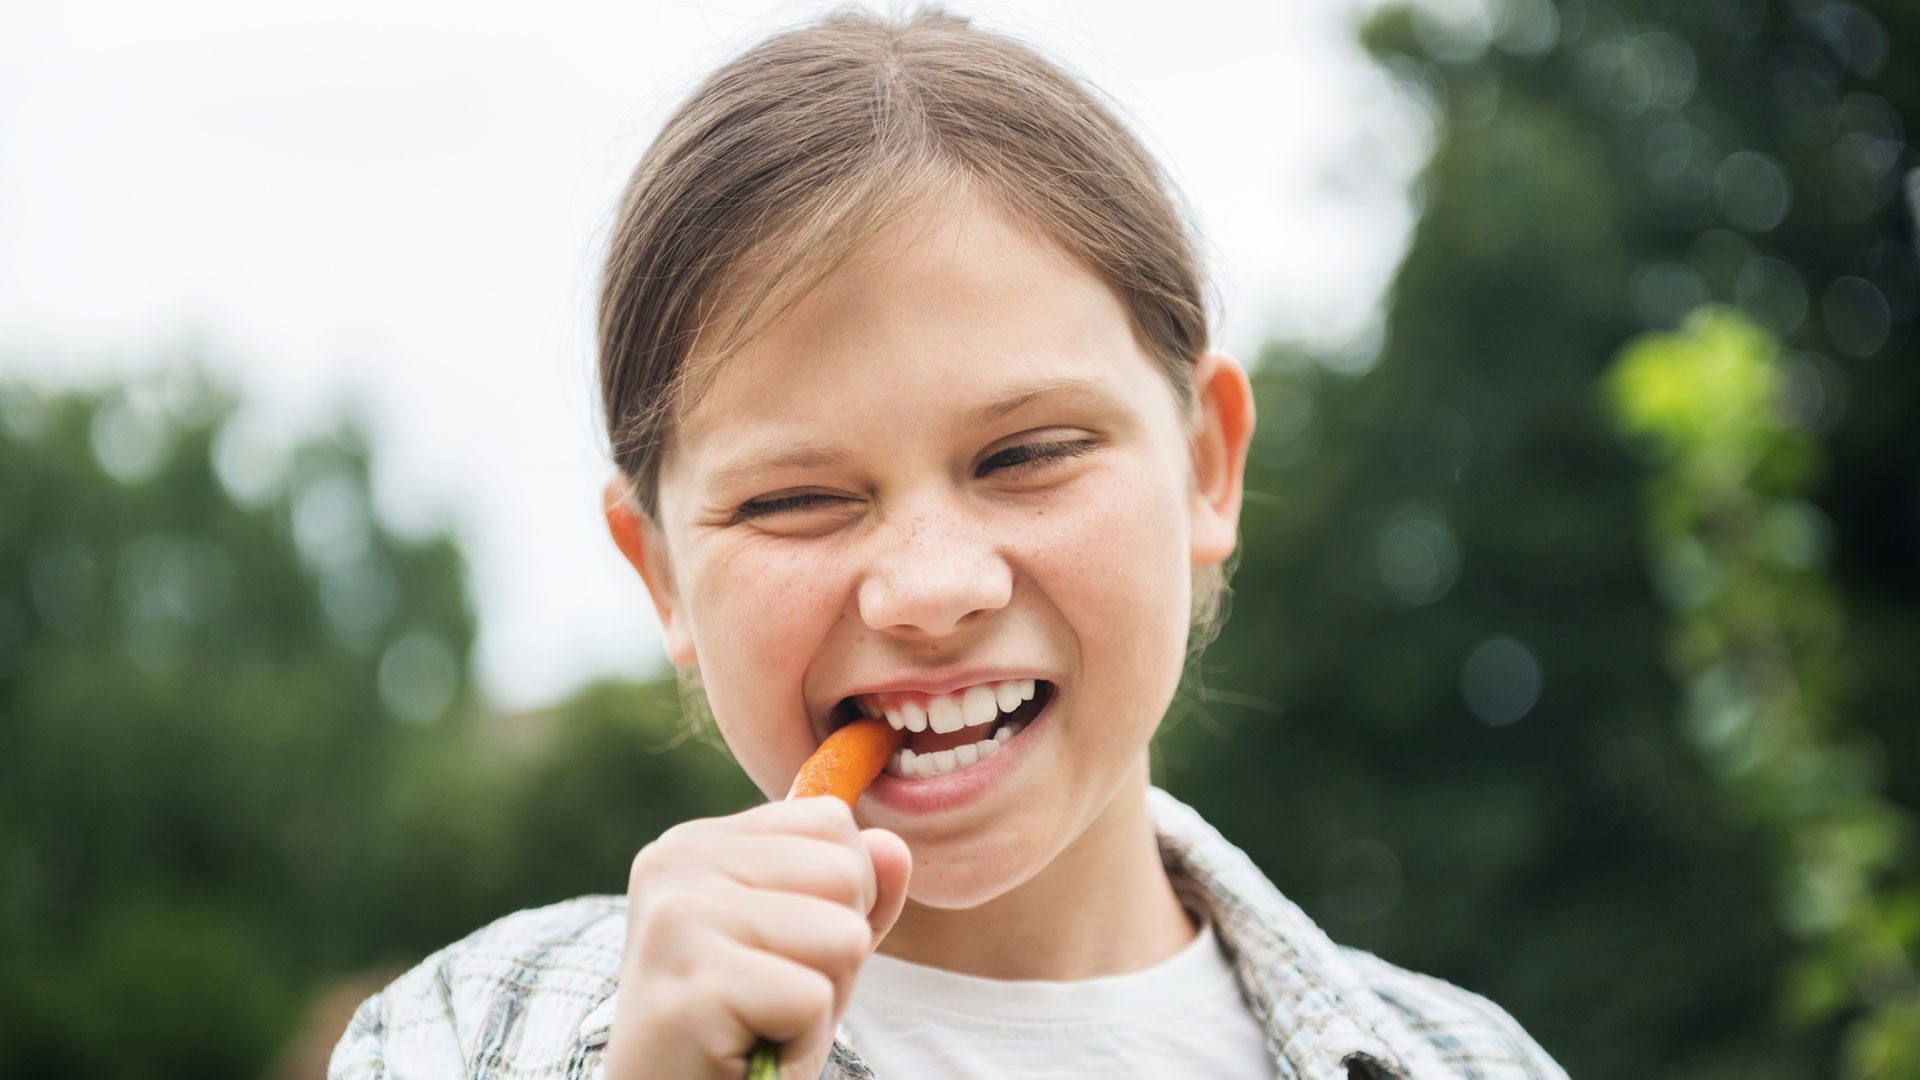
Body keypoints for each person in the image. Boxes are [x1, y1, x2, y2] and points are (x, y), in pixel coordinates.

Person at [331, 8, 1567, 1079]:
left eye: (1026, 455)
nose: (930, 589)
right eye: (794, 499)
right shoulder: (464, 1034)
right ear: (660, 572)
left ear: (1205, 464)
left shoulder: (1475, 1061)